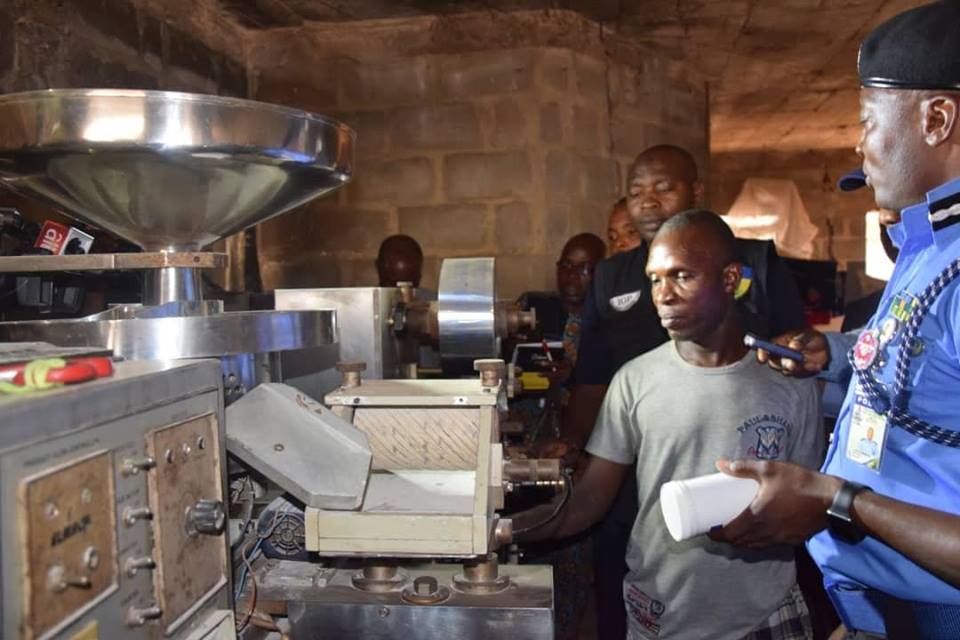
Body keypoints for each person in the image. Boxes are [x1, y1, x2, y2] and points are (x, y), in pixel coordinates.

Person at [713, 3, 960, 638]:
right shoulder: (928, 244)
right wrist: (835, 352)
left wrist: (836, 500)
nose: (858, 144)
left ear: (937, 119)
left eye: (869, 122)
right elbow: (921, 378)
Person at [513, 210, 823, 640]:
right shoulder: (634, 381)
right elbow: (588, 500)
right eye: (655, 279)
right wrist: (503, 529)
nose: (664, 294)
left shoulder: (789, 385)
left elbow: (810, 507)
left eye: (682, 276)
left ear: (730, 278)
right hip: (660, 615)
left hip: (763, 616)